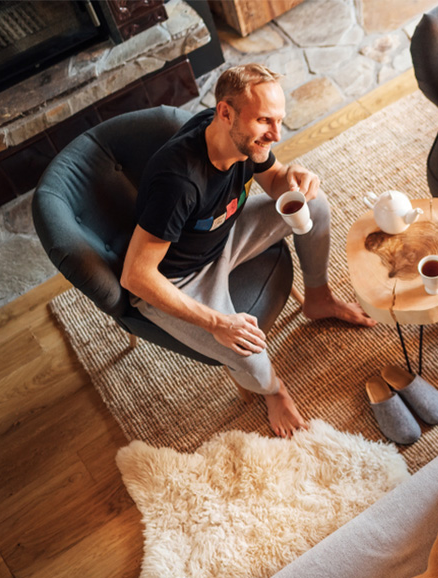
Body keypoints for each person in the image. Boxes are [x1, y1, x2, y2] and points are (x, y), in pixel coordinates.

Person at [121, 64, 374, 438]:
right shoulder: (178, 182)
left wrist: (293, 176)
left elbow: (273, 180)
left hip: (226, 236)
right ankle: (274, 391)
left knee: (314, 206)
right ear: (225, 113)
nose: (275, 134)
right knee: (246, 349)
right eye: (265, 121)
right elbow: (136, 275)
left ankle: (318, 298)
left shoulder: (245, 139)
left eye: (279, 120)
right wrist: (217, 323)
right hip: (180, 277)